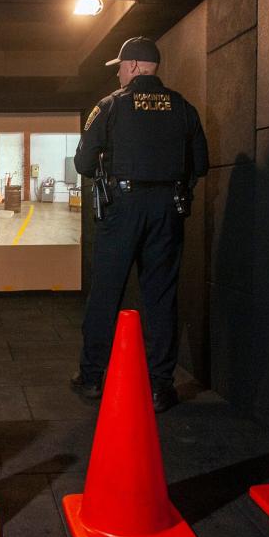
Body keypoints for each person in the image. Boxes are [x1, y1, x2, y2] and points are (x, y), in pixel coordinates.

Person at [70, 36, 208, 413]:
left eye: (119, 66)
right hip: (167, 209)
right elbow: (201, 164)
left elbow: (82, 165)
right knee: (161, 297)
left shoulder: (110, 106)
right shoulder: (183, 108)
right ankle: (161, 387)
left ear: (132, 66)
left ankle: (93, 378)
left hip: (121, 207)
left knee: (106, 292)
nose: (117, 72)